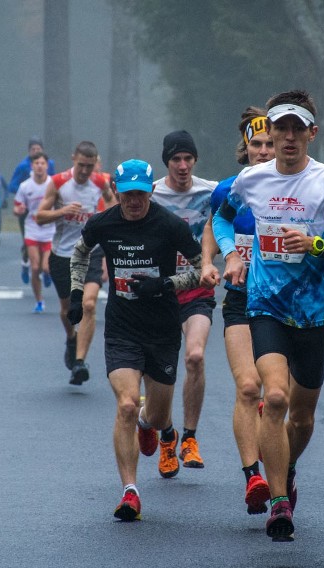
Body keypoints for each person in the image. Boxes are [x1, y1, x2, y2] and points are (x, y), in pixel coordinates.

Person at [213, 90, 324, 539]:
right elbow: (222, 219)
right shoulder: (251, 180)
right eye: (281, 128)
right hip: (266, 307)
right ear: (271, 133)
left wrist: (315, 244)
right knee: (273, 398)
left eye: (298, 129)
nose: (289, 137)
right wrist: (231, 255)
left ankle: (288, 466)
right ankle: (279, 502)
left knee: (301, 417)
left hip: (315, 313)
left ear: (312, 134)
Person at [68, 158, 203, 521]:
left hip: (161, 329)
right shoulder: (103, 223)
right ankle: (130, 490)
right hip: (123, 328)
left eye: (141, 195)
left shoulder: (170, 225)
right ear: (116, 192)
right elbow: (79, 254)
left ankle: (149, 424)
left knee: (157, 416)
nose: (134, 202)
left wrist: (166, 284)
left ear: (151, 192)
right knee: (126, 404)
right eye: (127, 195)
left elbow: (201, 270)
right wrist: (78, 293)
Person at [200, 106, 274, 516]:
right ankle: (254, 478)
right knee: (248, 387)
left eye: (268, 143)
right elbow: (214, 224)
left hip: (285, 305)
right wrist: (210, 261)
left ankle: (284, 472)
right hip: (241, 299)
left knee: (278, 396)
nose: (263, 151)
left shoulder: (298, 188)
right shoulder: (229, 189)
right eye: (255, 145)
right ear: (243, 150)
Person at [149, 130, 217, 477]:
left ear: (195, 160)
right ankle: (166, 435)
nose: (182, 165)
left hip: (196, 289)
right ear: (167, 162)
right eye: (176, 159)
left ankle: (189, 438)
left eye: (188, 158)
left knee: (195, 356)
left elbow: (230, 222)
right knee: (161, 373)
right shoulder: (151, 194)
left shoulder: (211, 191)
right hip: (158, 292)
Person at [35, 141, 114, 386]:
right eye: (81, 165)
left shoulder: (100, 182)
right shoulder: (58, 183)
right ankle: (71, 337)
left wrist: (107, 222)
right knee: (68, 310)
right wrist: (63, 211)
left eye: (89, 166)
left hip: (90, 252)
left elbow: (112, 205)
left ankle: (79, 362)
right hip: (62, 255)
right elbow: (39, 216)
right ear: (73, 160)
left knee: (89, 304)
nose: (84, 171)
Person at [9, 137, 57, 283]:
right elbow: (12, 186)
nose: (36, 152)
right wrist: (27, 195)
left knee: (48, 244)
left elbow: (54, 181)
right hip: (27, 211)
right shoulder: (23, 166)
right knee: (28, 242)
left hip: (46, 210)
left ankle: (46, 270)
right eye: (33, 150)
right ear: (29, 151)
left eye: (38, 149)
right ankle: (25, 264)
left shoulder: (50, 164)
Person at [13, 151, 55, 313]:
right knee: (35, 267)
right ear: (32, 166)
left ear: (47, 166)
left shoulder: (53, 184)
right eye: (36, 163)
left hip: (49, 229)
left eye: (42, 163)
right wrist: (19, 210)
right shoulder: (25, 186)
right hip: (32, 228)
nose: (39, 166)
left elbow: (61, 201)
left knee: (46, 267)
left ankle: (48, 274)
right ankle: (39, 300)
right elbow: (16, 206)